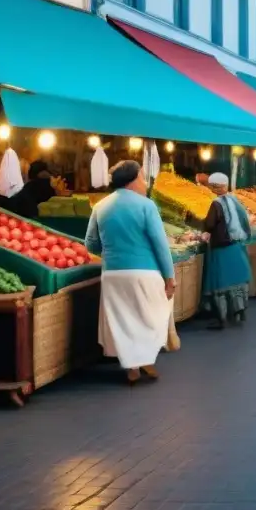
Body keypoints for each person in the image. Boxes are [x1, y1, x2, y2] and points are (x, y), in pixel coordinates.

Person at [86, 160, 175, 384]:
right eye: (143, 177)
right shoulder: (146, 206)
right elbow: (160, 244)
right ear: (133, 180)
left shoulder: (100, 206)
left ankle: (132, 365)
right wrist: (169, 277)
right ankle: (144, 360)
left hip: (113, 274)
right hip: (145, 273)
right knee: (152, 316)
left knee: (123, 319)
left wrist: (111, 251)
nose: (145, 182)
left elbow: (91, 243)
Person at [201, 173, 252, 330]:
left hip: (222, 248)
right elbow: (244, 220)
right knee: (237, 282)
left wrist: (204, 232)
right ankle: (239, 312)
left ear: (215, 187)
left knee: (220, 284)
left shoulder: (216, 204)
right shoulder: (234, 200)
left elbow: (210, 224)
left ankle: (221, 319)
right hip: (236, 247)